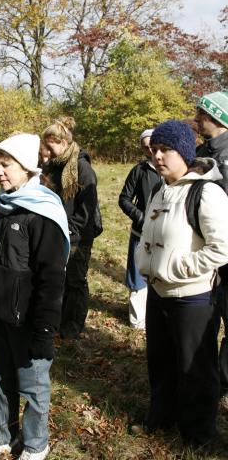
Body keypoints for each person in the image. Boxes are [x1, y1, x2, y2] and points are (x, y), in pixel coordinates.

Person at [135, 120, 228, 447]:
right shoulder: (161, 190)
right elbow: (147, 236)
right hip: (158, 294)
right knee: (160, 362)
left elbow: (222, 248)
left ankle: (200, 434)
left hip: (192, 298)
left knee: (196, 369)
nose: (158, 155)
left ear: (185, 152)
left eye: (166, 149)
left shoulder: (207, 192)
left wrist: (176, 267)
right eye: (155, 149)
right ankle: (162, 417)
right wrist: (143, 261)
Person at [0, 133, 69, 460]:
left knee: (33, 388)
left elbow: (52, 279)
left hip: (29, 322)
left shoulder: (43, 214)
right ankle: (1, 435)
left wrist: (45, 328)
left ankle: (34, 445)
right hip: (0, 316)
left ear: (28, 167)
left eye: (7, 165)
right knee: (0, 379)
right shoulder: (4, 209)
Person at [41, 116, 100, 339]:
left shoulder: (82, 169)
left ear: (64, 143)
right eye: (45, 145)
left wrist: (69, 231)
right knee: (58, 280)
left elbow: (86, 210)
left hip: (78, 237)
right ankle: (57, 320)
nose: (47, 150)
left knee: (75, 281)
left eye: (51, 145)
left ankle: (73, 326)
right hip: (54, 234)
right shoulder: (51, 168)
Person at [195, 91, 228, 406]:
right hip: (202, 250)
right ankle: (207, 378)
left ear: (214, 118)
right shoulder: (202, 151)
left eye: (200, 114)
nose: (196, 119)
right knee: (206, 316)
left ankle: (223, 379)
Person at [118, 129, 160, 329]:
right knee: (137, 276)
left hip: (164, 234)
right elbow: (124, 199)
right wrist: (140, 217)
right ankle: (137, 321)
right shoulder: (139, 171)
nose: (150, 150)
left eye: (153, 144)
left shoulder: (175, 168)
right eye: (145, 147)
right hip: (140, 233)